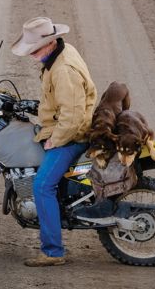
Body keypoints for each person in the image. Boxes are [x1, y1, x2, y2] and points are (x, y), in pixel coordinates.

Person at [11, 17, 97, 267]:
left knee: (41, 186)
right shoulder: (62, 52)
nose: (31, 54)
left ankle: (53, 252)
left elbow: (73, 118)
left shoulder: (63, 70)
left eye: (34, 49)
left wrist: (55, 141)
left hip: (73, 135)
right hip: (63, 126)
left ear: (49, 43)